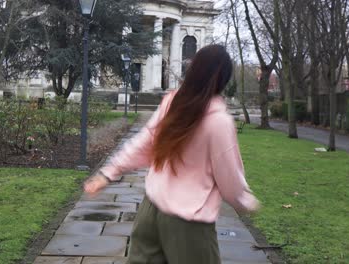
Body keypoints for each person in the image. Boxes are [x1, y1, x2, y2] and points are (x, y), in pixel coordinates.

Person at [84, 44, 260, 264]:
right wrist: (245, 201)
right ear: (224, 79)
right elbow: (229, 177)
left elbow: (144, 142)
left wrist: (108, 173)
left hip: (151, 211)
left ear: (193, 70)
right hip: (187, 224)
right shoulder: (218, 122)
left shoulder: (173, 102)